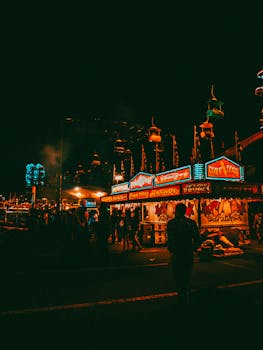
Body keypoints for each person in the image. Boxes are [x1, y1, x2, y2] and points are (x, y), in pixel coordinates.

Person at [167, 202, 200, 309]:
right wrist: (194, 248)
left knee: (178, 276)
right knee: (186, 275)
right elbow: (197, 239)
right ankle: (186, 296)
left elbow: (170, 240)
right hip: (188, 252)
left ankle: (181, 297)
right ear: (185, 211)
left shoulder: (171, 223)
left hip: (177, 253)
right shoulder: (191, 223)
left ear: (176, 211)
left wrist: (171, 249)